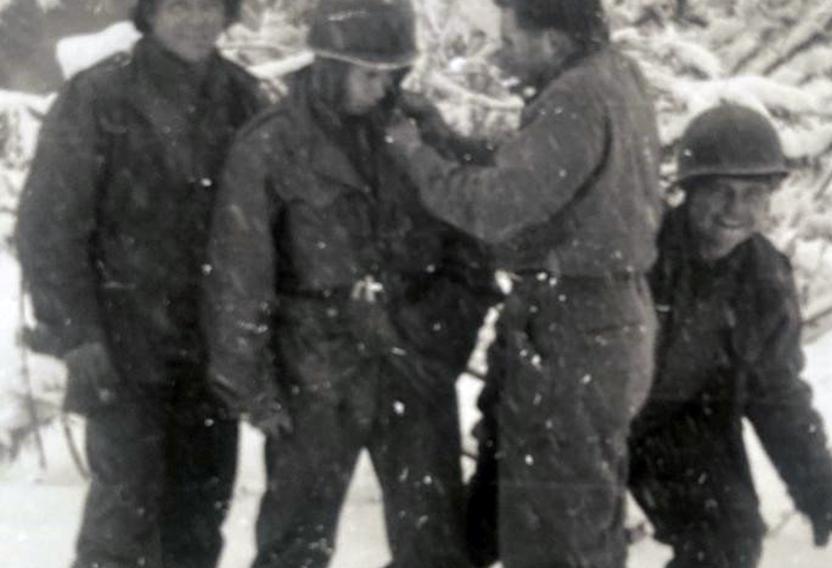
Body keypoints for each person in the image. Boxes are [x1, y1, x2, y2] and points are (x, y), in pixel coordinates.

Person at [205, 1, 497, 566]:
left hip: (412, 362)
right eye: (368, 72)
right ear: (328, 65)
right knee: (296, 544)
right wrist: (251, 385)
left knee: (435, 545)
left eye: (393, 73)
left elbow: (471, 251)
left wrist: (442, 335)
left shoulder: (420, 131)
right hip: (315, 373)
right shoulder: (270, 144)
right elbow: (240, 274)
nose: (382, 87)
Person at [385, 1, 664, 566]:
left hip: (574, 326)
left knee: (555, 528)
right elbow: (538, 174)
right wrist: (445, 139)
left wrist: (415, 156)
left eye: (512, 41)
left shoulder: (575, 98)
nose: (500, 52)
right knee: (569, 507)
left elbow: (496, 207)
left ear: (554, 42)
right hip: (602, 317)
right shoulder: (613, 75)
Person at [14, 1, 263, 567]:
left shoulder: (243, 98)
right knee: (122, 520)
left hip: (211, 352)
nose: (197, 19)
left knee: (198, 520)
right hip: (123, 350)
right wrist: (77, 334)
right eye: (179, 4)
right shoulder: (100, 96)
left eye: (210, 5)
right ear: (149, 13)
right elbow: (48, 227)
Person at [628, 104, 832, 568]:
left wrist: (820, 493)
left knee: (727, 537)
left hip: (676, 427)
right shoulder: (640, 251)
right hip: (591, 419)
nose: (735, 211)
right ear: (687, 191)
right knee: (497, 534)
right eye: (721, 191)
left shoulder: (762, 275)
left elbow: (776, 391)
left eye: (753, 194)